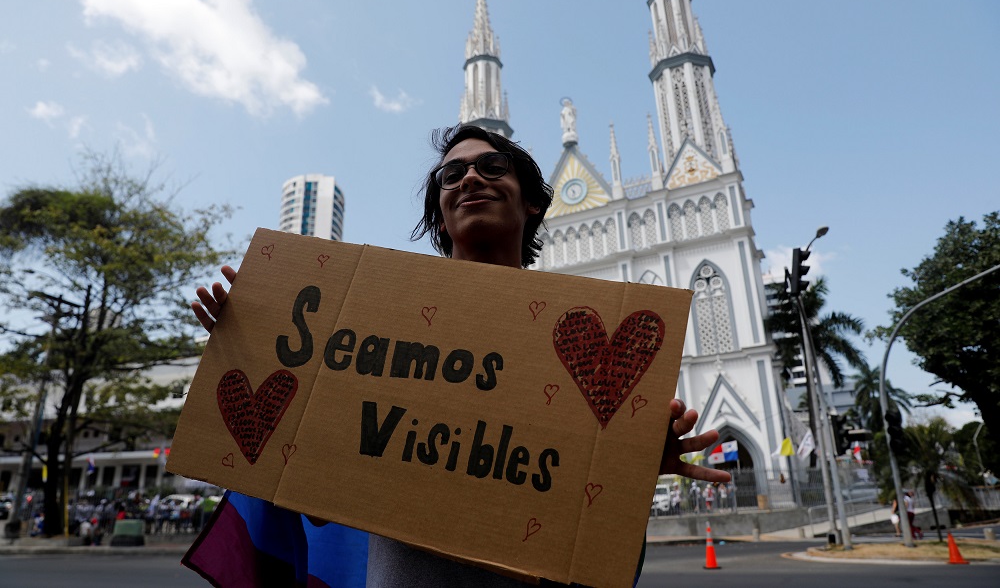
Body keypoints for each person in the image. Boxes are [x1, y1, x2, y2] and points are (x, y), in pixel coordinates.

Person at [186, 124, 730, 586]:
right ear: (440, 218)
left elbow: (600, 564)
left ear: (533, 203)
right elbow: (313, 502)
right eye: (453, 174)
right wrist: (253, 349)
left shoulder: (578, 357)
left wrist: (625, 474)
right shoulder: (377, 332)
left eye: (493, 166)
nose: (471, 177)